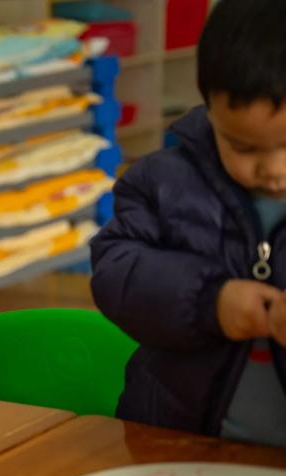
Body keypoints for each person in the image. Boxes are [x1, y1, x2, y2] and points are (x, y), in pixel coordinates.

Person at [91, 0, 286, 445]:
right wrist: (208, 301)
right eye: (245, 148)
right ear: (210, 108)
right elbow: (115, 270)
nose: (275, 171)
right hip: (178, 443)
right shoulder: (163, 182)